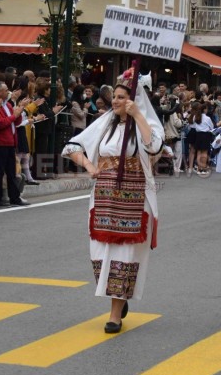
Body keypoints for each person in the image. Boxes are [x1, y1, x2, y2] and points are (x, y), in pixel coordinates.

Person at [63, 80, 163, 333]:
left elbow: (154, 146)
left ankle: (115, 312)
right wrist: (89, 166)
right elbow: (73, 146)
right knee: (99, 253)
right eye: (115, 97)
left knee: (124, 255)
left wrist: (137, 114)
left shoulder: (146, 123)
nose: (116, 101)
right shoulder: (105, 122)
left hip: (134, 200)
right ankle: (118, 295)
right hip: (104, 198)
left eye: (122, 97)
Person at [0, 81, 29, 207]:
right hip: (1, 142)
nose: (8, 92)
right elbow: (0, 123)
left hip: (11, 141)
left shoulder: (7, 104)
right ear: (0, 92)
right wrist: (14, 115)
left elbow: (16, 121)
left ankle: (14, 197)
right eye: (6, 90)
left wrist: (19, 110)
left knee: (11, 172)